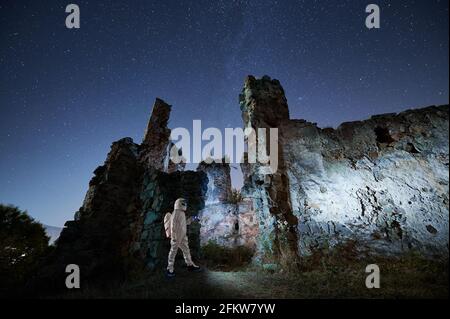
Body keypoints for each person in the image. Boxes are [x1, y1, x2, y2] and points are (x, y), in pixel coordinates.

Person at [166, 198, 201, 277]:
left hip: (182, 235)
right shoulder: (176, 212)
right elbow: (173, 225)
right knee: (173, 251)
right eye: (183, 203)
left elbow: (185, 223)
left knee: (186, 250)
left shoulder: (181, 213)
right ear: (179, 203)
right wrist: (174, 236)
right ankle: (169, 268)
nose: (185, 204)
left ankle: (190, 265)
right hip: (177, 236)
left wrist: (193, 218)